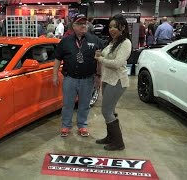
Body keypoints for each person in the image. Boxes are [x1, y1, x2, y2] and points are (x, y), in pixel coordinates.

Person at [53, 14, 104, 137]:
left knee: (84, 104)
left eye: (85, 23)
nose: (83, 26)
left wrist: (98, 76)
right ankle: (66, 126)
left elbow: (100, 60)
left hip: (88, 79)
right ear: (73, 25)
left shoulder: (95, 40)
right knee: (67, 104)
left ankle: (82, 125)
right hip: (70, 78)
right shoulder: (65, 41)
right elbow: (57, 59)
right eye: (80, 23)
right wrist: (54, 75)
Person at [94, 14, 132, 151]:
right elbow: (107, 56)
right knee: (110, 110)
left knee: (106, 111)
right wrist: (100, 54)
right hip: (107, 79)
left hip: (117, 81)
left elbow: (117, 63)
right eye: (110, 27)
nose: (112, 29)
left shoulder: (125, 43)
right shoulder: (112, 42)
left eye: (116, 26)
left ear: (123, 27)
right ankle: (111, 137)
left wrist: (100, 59)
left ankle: (118, 142)